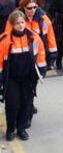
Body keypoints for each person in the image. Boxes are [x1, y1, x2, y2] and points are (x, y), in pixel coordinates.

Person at [0, 10, 47, 141]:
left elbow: (41, 54)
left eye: (22, 22)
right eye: (17, 23)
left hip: (28, 78)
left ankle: (21, 129)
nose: (21, 26)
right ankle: (10, 130)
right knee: (12, 104)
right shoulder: (4, 40)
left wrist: (42, 71)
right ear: (11, 25)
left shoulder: (33, 37)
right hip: (12, 79)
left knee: (26, 104)